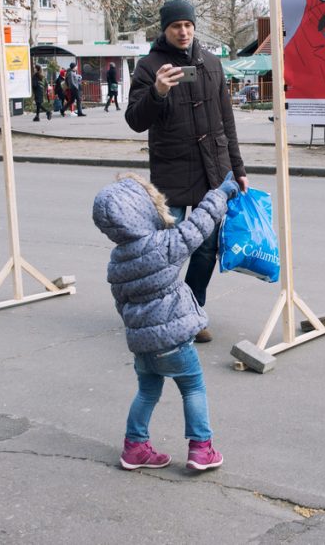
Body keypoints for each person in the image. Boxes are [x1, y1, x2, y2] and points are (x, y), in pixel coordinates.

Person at [92, 171, 240, 472]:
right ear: (144, 210)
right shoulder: (165, 244)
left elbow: (121, 302)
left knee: (147, 391)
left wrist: (139, 330)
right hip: (173, 341)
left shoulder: (118, 260)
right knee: (193, 387)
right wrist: (222, 192)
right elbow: (200, 223)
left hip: (142, 344)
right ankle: (201, 449)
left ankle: (134, 447)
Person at [125, 0, 249, 343]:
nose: (183, 31)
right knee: (168, 251)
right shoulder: (148, 67)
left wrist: (237, 168)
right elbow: (135, 121)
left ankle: (192, 311)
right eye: (176, 26)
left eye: (188, 25)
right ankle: (157, 311)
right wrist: (158, 91)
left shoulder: (211, 62)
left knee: (207, 249)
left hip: (213, 170)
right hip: (172, 172)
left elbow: (227, 120)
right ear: (165, 30)